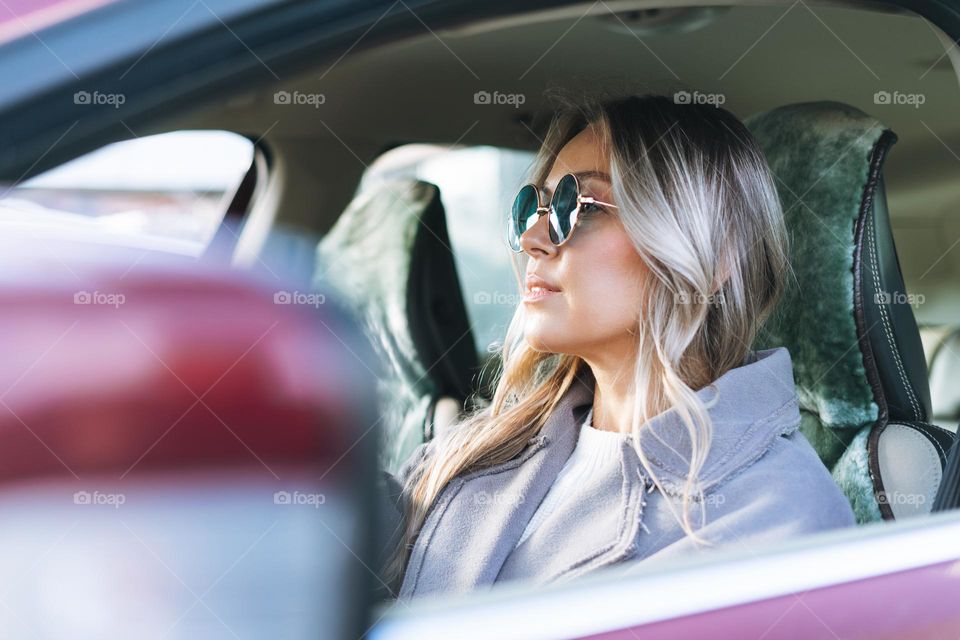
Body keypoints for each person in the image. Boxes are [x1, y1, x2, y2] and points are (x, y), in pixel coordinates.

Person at [377, 93, 856, 602]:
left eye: (576, 207)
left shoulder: (776, 516)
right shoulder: (480, 446)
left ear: (714, 255)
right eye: (531, 208)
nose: (534, 239)